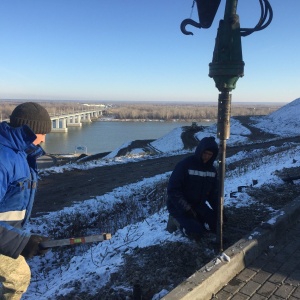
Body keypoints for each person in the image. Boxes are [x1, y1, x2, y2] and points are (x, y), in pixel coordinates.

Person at [0, 102, 52, 300]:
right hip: (4, 238)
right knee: (18, 277)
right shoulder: (4, 159)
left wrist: (24, 237)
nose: (45, 138)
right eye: (42, 133)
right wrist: (21, 242)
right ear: (29, 129)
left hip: (6, 235)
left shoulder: (20, 153)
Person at [167, 136, 219, 240]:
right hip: (179, 206)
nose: (207, 157)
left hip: (198, 205)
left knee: (217, 225)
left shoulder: (212, 171)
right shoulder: (185, 165)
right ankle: (174, 220)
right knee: (196, 233)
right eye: (205, 153)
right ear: (200, 151)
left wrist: (219, 211)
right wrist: (186, 208)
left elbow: (213, 194)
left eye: (210, 154)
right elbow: (173, 190)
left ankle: (198, 220)